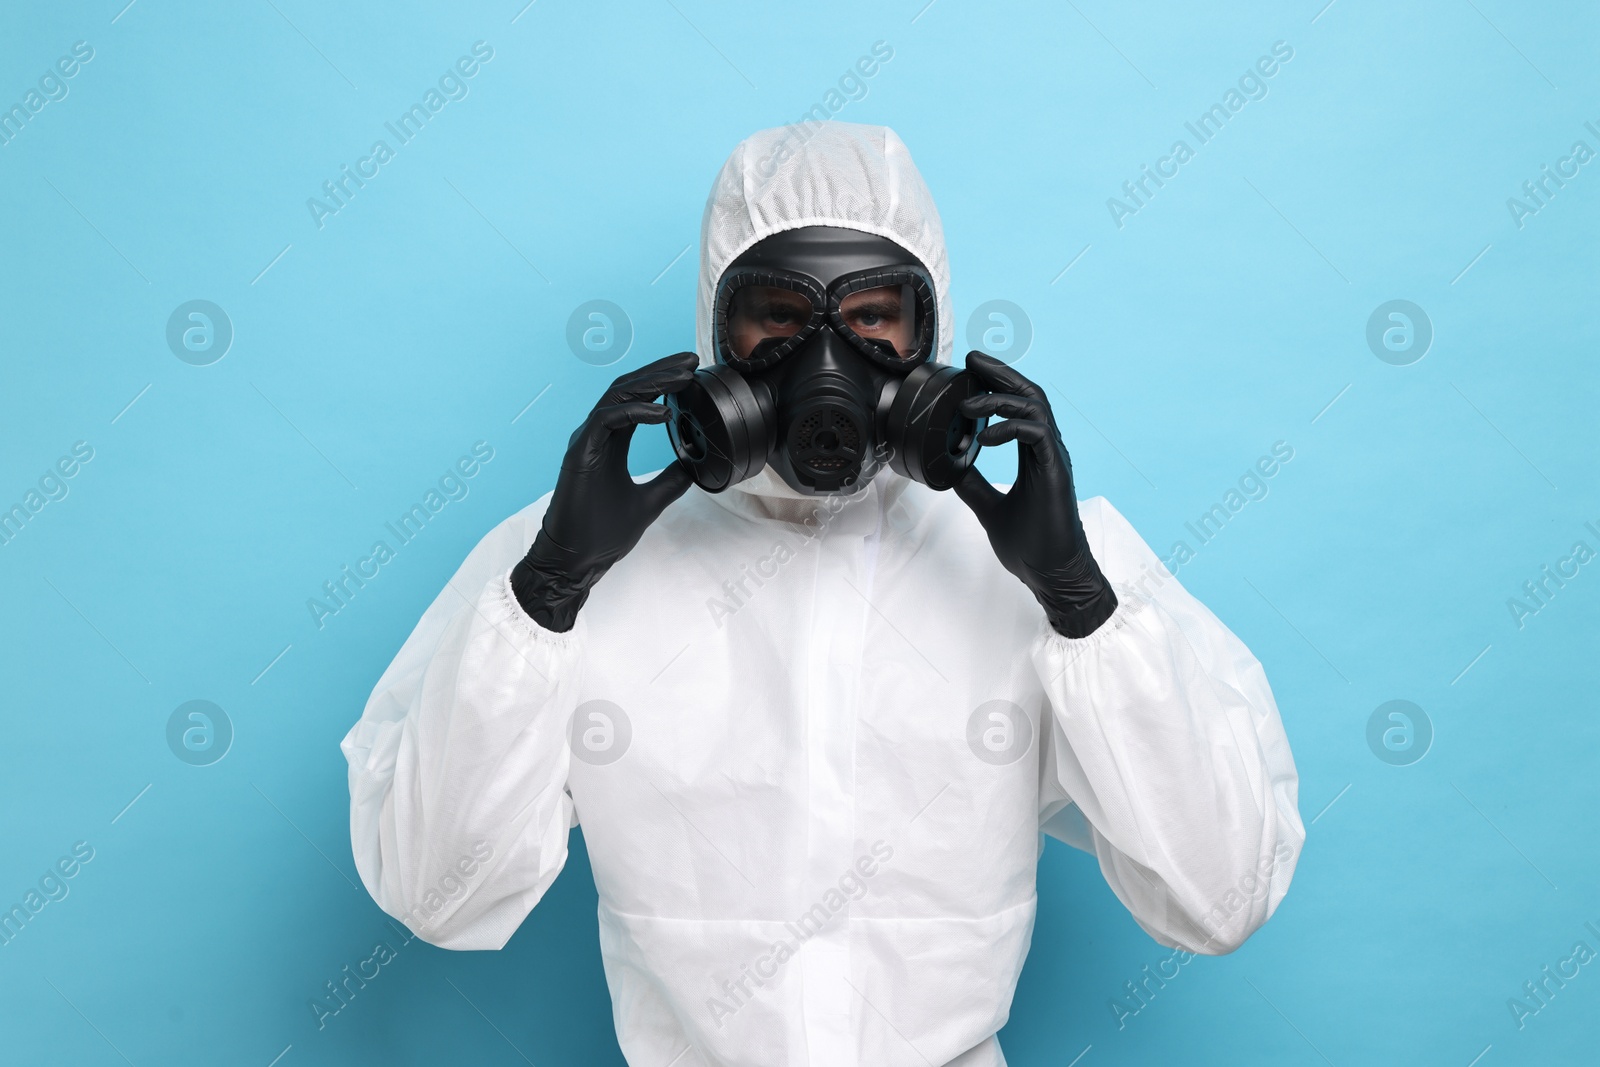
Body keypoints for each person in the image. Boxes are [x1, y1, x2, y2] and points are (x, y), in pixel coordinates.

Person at [341, 122, 1304, 1067]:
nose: (827, 366)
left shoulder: (1035, 552)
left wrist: (1082, 603)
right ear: (719, 334)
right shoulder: (577, 553)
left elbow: (1221, 898)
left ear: (930, 334)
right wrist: (547, 591)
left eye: (874, 318)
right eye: (782, 320)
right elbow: (435, 895)